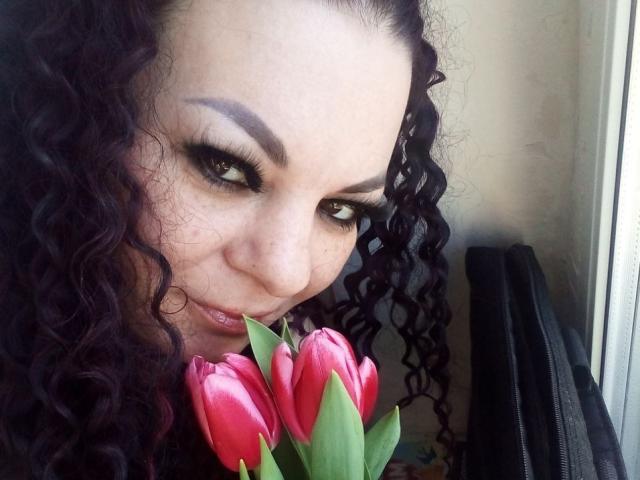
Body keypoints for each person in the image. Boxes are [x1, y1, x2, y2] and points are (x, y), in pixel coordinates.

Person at [0, 0, 453, 478]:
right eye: (226, 167)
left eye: (341, 209)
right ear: (79, 120)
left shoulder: (281, 381)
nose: (286, 275)